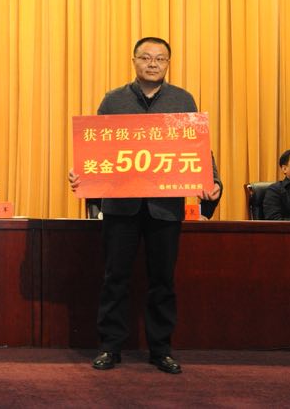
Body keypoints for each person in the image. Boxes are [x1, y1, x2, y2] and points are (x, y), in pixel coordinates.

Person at [68, 37, 222, 374]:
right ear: (134, 60)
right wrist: (83, 175)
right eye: (146, 57)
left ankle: (161, 349)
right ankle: (110, 347)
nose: (153, 64)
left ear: (168, 63)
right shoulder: (114, 100)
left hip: (165, 207)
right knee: (115, 278)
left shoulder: (182, 99)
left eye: (160, 59)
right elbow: (97, 146)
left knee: (163, 280)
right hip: (120, 207)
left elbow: (197, 147)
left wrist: (213, 182)